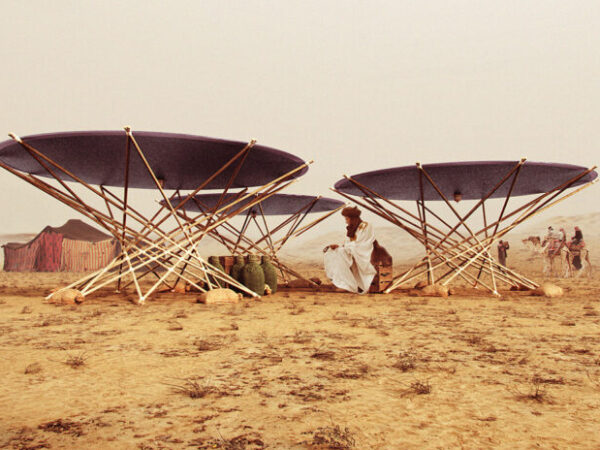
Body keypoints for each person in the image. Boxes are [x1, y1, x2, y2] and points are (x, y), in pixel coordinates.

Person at [323, 206, 377, 294]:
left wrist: (345, 248)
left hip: (365, 251)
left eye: (347, 218)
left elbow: (363, 243)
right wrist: (339, 246)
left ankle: (349, 286)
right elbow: (348, 243)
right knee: (333, 252)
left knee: (340, 252)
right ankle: (343, 283)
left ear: (353, 218)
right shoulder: (351, 228)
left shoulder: (365, 226)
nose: (346, 221)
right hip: (353, 250)